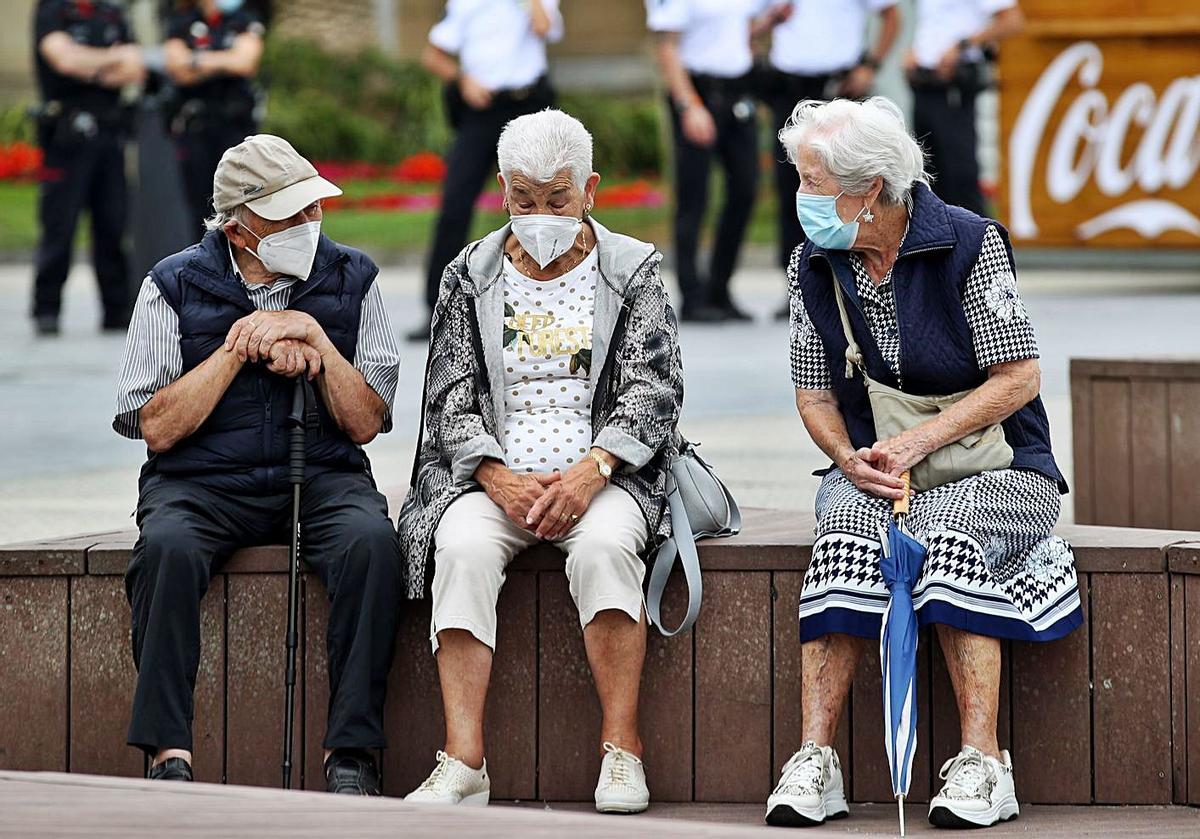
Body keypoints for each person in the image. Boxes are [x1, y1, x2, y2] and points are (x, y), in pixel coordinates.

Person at [767, 98, 1081, 829]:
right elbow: (814, 393)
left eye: (812, 181)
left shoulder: (968, 242)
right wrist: (847, 458)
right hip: (879, 468)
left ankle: (984, 761)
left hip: (1004, 467)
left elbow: (1019, 377)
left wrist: (918, 441)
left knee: (943, 532)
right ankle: (815, 758)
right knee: (843, 529)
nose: (799, 196)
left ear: (869, 189)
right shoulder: (812, 262)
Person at [398, 110, 684, 814]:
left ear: (589, 189)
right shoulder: (470, 273)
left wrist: (592, 471)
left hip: (605, 475)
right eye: (523, 199)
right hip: (494, 479)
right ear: (502, 191)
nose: (540, 216)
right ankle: (463, 759)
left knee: (608, 548)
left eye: (557, 199)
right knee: (460, 548)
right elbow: (448, 394)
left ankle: (622, 750)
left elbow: (655, 388)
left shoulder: (631, 269)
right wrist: (495, 476)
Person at [114, 134, 403, 795]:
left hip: (322, 473)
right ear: (239, 229)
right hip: (200, 482)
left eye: (312, 208)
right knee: (166, 548)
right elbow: (154, 426)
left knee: (371, 544)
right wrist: (236, 349)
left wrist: (317, 340)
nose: (310, 222)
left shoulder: (354, 278)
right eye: (290, 214)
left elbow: (366, 421)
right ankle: (167, 751)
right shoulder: (172, 284)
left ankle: (351, 751)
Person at [409, 0, 563, 341]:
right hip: (482, 109)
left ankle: (550, 303)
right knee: (455, 204)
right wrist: (462, 79)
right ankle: (439, 308)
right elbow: (433, 55)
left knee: (543, 204)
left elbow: (544, 27)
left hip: (528, 105)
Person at [756, 0, 901, 320]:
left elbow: (892, 16)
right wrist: (768, 24)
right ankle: (798, 284)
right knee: (796, 189)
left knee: (853, 188)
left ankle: (860, 281)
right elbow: (746, 25)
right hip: (790, 87)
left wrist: (871, 66)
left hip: (840, 87)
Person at [646, 0, 778, 322]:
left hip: (738, 91)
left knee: (745, 189)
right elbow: (667, 47)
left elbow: (737, 30)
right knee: (694, 197)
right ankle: (692, 295)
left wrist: (767, 24)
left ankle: (720, 289)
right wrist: (689, 105)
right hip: (698, 92)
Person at [31, 0, 145, 336]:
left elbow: (134, 68)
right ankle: (47, 309)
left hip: (110, 135)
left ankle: (116, 310)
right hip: (66, 139)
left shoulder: (112, 13)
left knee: (113, 224)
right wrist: (111, 60)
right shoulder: (52, 10)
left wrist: (87, 65)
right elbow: (63, 60)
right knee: (59, 227)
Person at [907, 0, 1024, 216]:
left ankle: (978, 235)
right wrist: (915, 50)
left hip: (954, 85)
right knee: (926, 175)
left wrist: (963, 46)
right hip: (924, 82)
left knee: (960, 175)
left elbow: (1012, 21)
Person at [163, 0, 265, 235]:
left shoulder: (244, 20)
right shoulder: (182, 22)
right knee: (201, 210)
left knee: (240, 206)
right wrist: (225, 61)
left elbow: (244, 63)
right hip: (196, 128)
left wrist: (196, 60)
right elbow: (177, 68)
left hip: (236, 128)